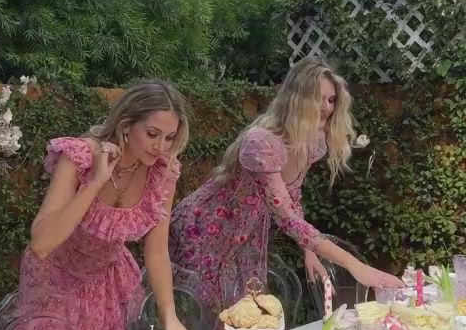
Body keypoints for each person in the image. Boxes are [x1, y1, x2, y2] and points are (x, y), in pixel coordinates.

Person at [9, 78, 197, 330]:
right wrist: (94, 183)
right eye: (152, 134)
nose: (160, 147)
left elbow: (156, 252)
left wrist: (170, 317)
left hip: (105, 285)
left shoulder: (163, 172)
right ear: (126, 126)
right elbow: (42, 242)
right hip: (53, 283)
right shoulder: (82, 156)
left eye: (169, 138)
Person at [169, 58, 404, 316]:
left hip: (245, 234)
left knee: (243, 318)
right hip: (205, 228)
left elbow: (292, 198)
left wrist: (309, 250)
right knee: (212, 319)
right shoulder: (262, 142)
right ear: (296, 99)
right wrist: (354, 265)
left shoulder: (312, 144)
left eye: (331, 99)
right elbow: (286, 217)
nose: (326, 107)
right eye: (318, 98)